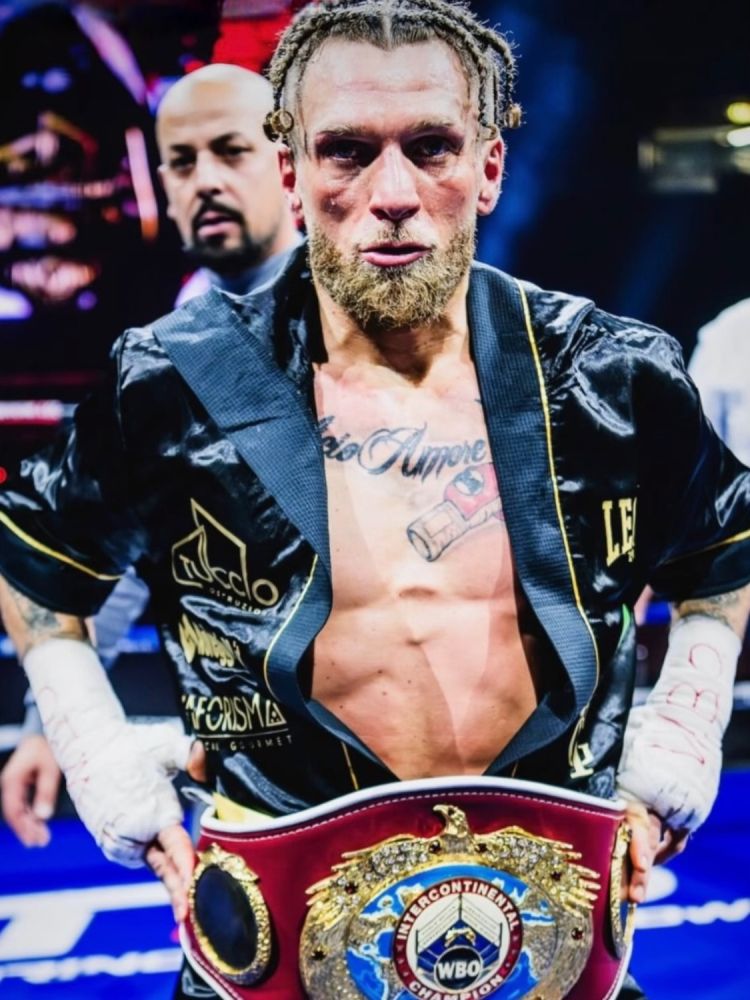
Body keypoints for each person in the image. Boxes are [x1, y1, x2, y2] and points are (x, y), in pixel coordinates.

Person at [0, 2, 749, 997]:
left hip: (563, 966)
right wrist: (93, 755)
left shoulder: (612, 376)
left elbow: (720, 557)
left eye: (431, 147)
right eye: (347, 152)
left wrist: (683, 739)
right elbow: (36, 570)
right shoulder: (174, 381)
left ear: (488, 165)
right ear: (293, 173)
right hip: (268, 966)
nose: (392, 195)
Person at [0, 62, 301, 850]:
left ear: (289, 162)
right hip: (253, 785)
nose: (206, 181)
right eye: (182, 161)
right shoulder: (160, 356)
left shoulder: (370, 312)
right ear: (159, 183)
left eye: (231, 150)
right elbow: (115, 546)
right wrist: (57, 725)